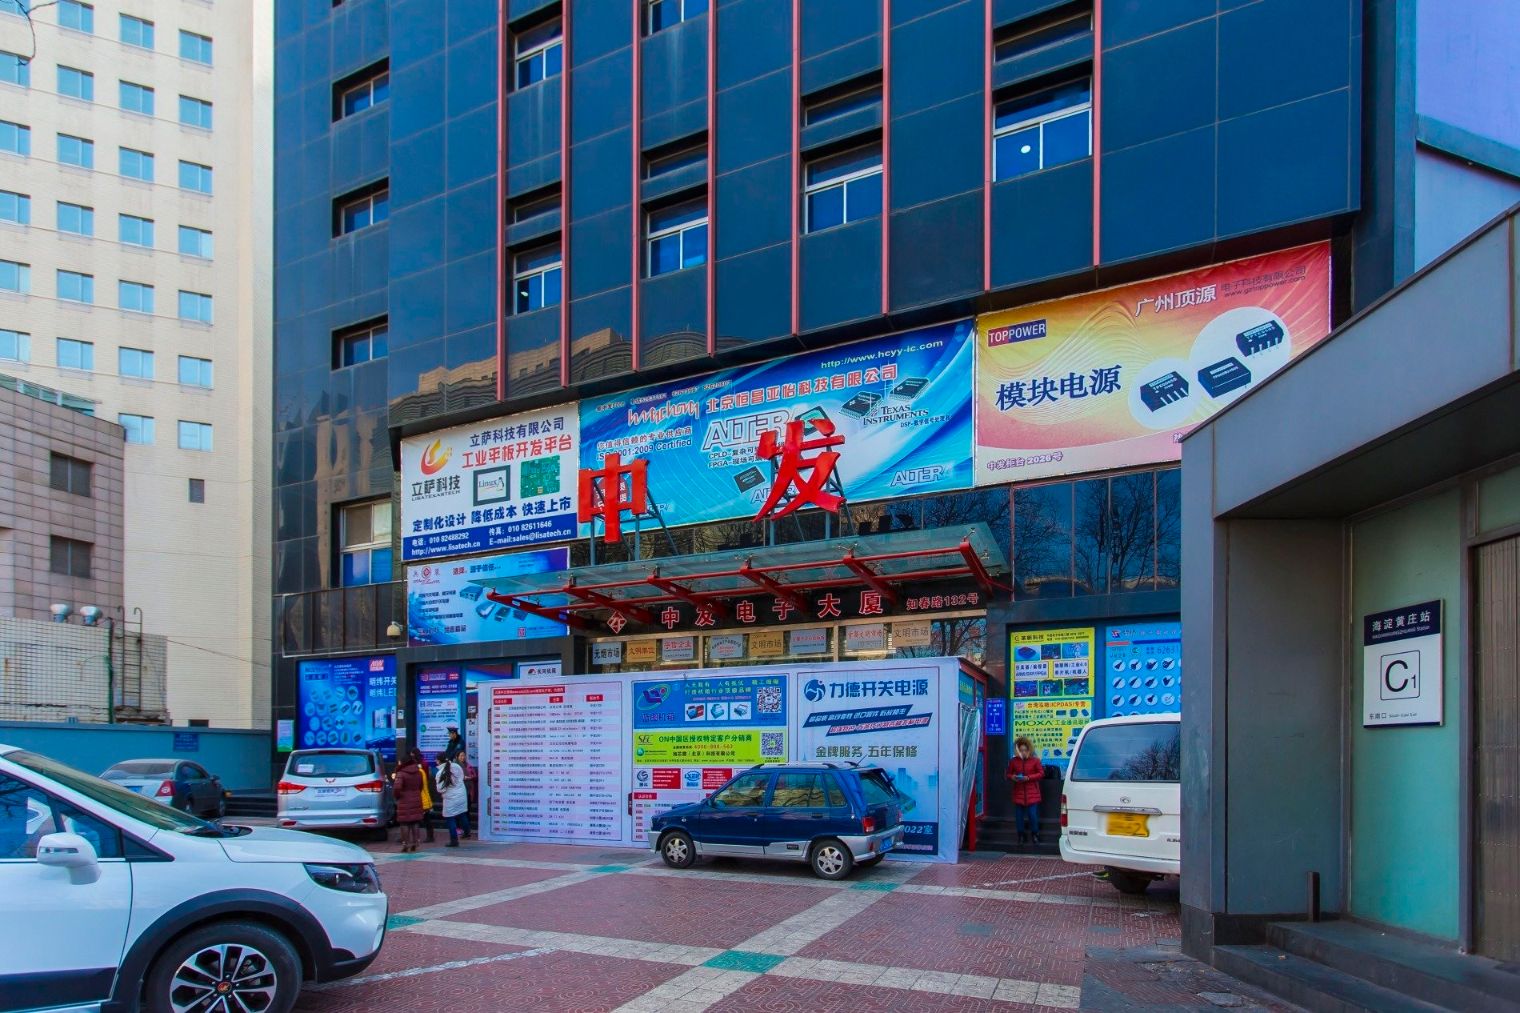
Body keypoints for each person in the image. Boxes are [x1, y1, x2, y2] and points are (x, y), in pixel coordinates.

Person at [1006, 736, 1045, 846]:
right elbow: (1008, 774)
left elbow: (1041, 773)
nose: (1023, 752)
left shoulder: (1035, 760)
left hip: (1032, 792)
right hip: (1018, 792)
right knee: (1019, 817)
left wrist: (1028, 778)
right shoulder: (1013, 761)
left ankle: (1035, 834)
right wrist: (1013, 777)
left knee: (1032, 815)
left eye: (1025, 750)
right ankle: (1021, 836)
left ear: (1029, 750)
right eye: (1021, 750)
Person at [393, 749, 426, 853]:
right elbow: (421, 786)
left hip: (404, 800)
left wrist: (397, 797)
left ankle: (406, 844)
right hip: (416, 799)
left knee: (404, 823)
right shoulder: (418, 772)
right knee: (415, 822)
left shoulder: (401, 773)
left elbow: (397, 788)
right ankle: (415, 842)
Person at [435, 754, 469, 847]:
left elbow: (440, 789)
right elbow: (461, 777)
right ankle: (467, 832)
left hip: (450, 798)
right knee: (462, 814)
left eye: (436, 760)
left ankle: (454, 840)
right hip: (461, 795)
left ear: (439, 761)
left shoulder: (440, 773)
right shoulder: (456, 766)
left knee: (450, 818)